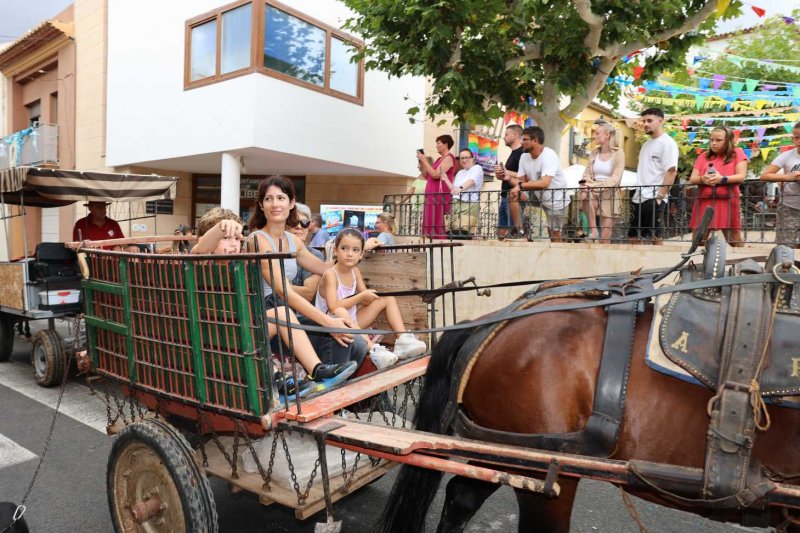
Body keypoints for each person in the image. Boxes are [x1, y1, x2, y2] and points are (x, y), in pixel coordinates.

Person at [193, 207, 355, 398]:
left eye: (237, 239)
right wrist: (221, 228)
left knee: (280, 313)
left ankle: (316, 370)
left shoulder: (238, 266)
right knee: (252, 326)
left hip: (239, 330)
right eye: (226, 238)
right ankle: (276, 380)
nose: (234, 244)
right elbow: (199, 250)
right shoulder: (200, 264)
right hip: (214, 335)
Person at [248, 176, 369, 369]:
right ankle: (327, 386)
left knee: (357, 342)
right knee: (337, 334)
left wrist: (351, 251)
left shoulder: (292, 240)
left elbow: (323, 267)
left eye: (281, 198)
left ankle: (346, 391)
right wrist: (327, 320)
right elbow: (282, 291)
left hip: (287, 313)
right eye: (268, 199)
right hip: (264, 315)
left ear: (291, 203)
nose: (275, 204)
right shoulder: (258, 240)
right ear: (261, 205)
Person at [316, 228, 427, 369]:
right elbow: (334, 306)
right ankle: (374, 350)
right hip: (331, 325)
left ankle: (403, 340)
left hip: (353, 322)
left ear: (361, 254)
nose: (350, 254)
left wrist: (368, 296)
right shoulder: (330, 274)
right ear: (336, 251)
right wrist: (361, 296)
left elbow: (365, 299)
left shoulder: (355, 272)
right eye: (344, 248)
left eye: (355, 250)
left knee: (387, 299)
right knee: (340, 312)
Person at [688, 126, 748, 246]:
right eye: (711, 140)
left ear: (728, 140)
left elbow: (741, 176)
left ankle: (742, 264)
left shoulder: (738, 154)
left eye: (718, 140)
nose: (714, 143)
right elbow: (692, 179)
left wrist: (722, 179)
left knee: (734, 240)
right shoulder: (703, 156)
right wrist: (702, 179)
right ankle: (698, 264)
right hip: (705, 201)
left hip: (728, 201)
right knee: (698, 241)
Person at [511, 126, 570, 242]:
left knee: (554, 234)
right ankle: (521, 231)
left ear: (535, 140)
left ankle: (557, 257)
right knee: (512, 195)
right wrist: (507, 178)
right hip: (538, 195)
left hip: (556, 199)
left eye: (524, 139)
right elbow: (520, 182)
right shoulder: (524, 156)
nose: (521, 142)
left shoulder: (549, 155)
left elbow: (544, 183)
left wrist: (521, 186)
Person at [630, 108, 679, 245]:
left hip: (655, 196)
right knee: (633, 236)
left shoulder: (668, 143)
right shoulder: (646, 144)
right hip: (639, 196)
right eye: (644, 121)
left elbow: (671, 171)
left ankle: (661, 266)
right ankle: (637, 266)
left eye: (649, 120)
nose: (645, 124)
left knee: (655, 237)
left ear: (660, 121)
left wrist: (659, 197)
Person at [579, 122, 625, 244]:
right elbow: (587, 172)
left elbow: (615, 178)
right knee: (585, 194)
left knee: (605, 239)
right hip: (592, 190)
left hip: (609, 192)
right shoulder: (594, 153)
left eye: (598, 133)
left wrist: (594, 185)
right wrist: (586, 182)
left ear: (608, 135)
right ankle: (593, 230)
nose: (595, 136)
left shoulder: (619, 153)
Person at [760, 121, 800, 248]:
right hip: (789, 207)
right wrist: (787, 177)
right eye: (797, 137)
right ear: (793, 139)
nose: (799, 140)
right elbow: (765, 175)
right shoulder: (787, 155)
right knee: (785, 247)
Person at [417, 135, 456, 238]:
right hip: (431, 195)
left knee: (437, 218)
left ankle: (438, 237)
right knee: (430, 217)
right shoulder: (439, 159)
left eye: (439, 143)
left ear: (446, 144)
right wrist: (422, 162)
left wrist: (425, 161)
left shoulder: (449, 158)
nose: (436, 146)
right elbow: (428, 174)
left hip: (439, 195)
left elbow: (435, 175)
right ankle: (428, 236)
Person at [493, 124, 525, 239]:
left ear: (515, 135)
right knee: (501, 233)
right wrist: (500, 174)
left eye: (506, 134)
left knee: (512, 233)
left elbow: (523, 177)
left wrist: (506, 171)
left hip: (513, 196)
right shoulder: (513, 153)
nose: (504, 137)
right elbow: (508, 174)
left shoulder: (522, 153)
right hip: (505, 196)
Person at [445, 148, 484, 236]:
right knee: (453, 233)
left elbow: (472, 181)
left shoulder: (477, 168)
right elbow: (454, 189)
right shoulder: (460, 172)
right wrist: (445, 179)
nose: (464, 160)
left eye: (467, 157)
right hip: (456, 204)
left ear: (472, 158)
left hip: (469, 204)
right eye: (462, 158)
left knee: (465, 233)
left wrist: (460, 188)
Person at [290, 203, 324, 302]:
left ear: (309, 226)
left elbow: (308, 294)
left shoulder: (315, 255)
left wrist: (275, 286)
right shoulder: (275, 252)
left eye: (304, 223)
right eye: (294, 222)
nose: (299, 226)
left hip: (301, 315)